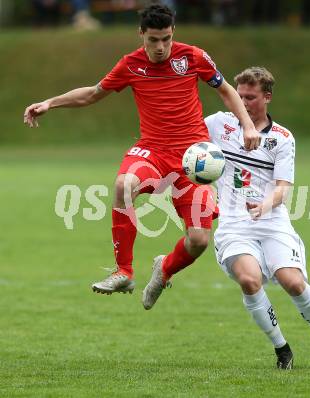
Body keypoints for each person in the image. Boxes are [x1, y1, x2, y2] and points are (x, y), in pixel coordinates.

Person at [23, 5, 259, 309]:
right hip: (152, 151)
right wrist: (50, 102)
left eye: (166, 39)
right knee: (123, 185)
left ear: (173, 32)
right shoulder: (130, 65)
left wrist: (248, 125)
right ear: (141, 35)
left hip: (193, 157)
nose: (160, 47)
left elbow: (226, 90)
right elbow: (93, 93)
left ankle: (164, 270)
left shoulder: (194, 57)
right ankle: (124, 271)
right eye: (153, 40)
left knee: (199, 240)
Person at [204, 66, 310, 370]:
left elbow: (283, 189)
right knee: (249, 279)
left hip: (272, 223)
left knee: (293, 283)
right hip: (234, 225)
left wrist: (265, 206)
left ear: (267, 97)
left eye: (251, 97)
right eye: (239, 96)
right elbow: (184, 136)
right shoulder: (219, 125)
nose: (243, 103)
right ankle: (281, 348)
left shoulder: (283, 138)